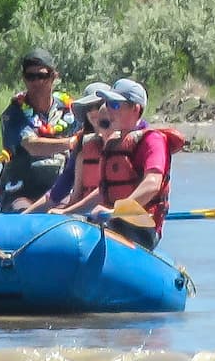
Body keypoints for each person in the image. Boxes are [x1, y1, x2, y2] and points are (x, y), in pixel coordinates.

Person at [54, 78, 185, 250]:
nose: (109, 110)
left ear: (135, 108)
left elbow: (152, 184)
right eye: (107, 104)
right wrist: (68, 212)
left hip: (143, 228)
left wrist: (117, 211)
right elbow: (103, 193)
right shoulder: (113, 142)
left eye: (115, 105)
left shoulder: (153, 140)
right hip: (114, 221)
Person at [0, 49, 77, 212]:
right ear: (24, 79)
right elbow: (31, 145)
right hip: (20, 192)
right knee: (23, 216)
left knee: (68, 216)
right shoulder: (13, 113)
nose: (36, 82)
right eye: (30, 77)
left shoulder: (70, 111)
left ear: (54, 76)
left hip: (59, 191)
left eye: (42, 76)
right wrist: (71, 142)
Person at [24, 91, 110, 214]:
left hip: (110, 213)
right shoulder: (82, 146)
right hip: (85, 214)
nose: (94, 112)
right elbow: (61, 188)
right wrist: (24, 216)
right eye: (89, 108)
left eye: (99, 106)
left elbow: (106, 189)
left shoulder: (121, 140)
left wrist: (67, 211)